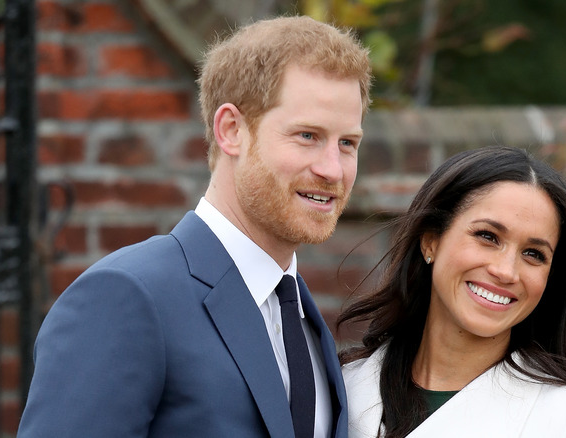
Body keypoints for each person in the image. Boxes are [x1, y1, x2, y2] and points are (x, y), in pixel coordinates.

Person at [19, 15, 372, 438]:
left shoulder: (301, 316)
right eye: (307, 136)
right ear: (231, 130)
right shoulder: (126, 296)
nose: (332, 169)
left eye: (347, 143)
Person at [338, 145, 566, 437]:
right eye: (487, 236)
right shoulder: (341, 390)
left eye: (533, 254)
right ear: (431, 241)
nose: (505, 271)